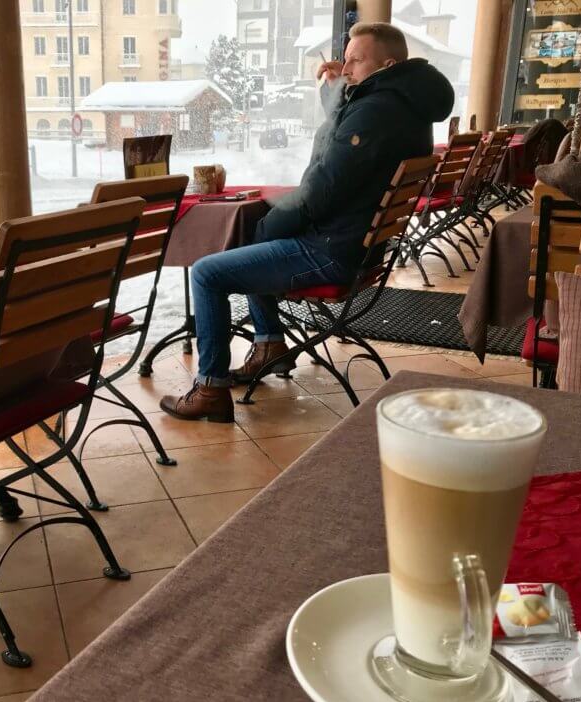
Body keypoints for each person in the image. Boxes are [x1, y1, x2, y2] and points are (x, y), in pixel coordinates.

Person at [159, 22, 454, 423]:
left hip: (333, 249)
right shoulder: (405, 105)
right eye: (345, 58)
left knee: (210, 272)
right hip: (359, 245)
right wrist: (335, 85)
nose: (346, 67)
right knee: (255, 238)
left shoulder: (376, 112)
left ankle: (211, 388)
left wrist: (271, 224)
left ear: (388, 64)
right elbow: (349, 124)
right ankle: (269, 345)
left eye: (356, 60)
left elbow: (322, 191)